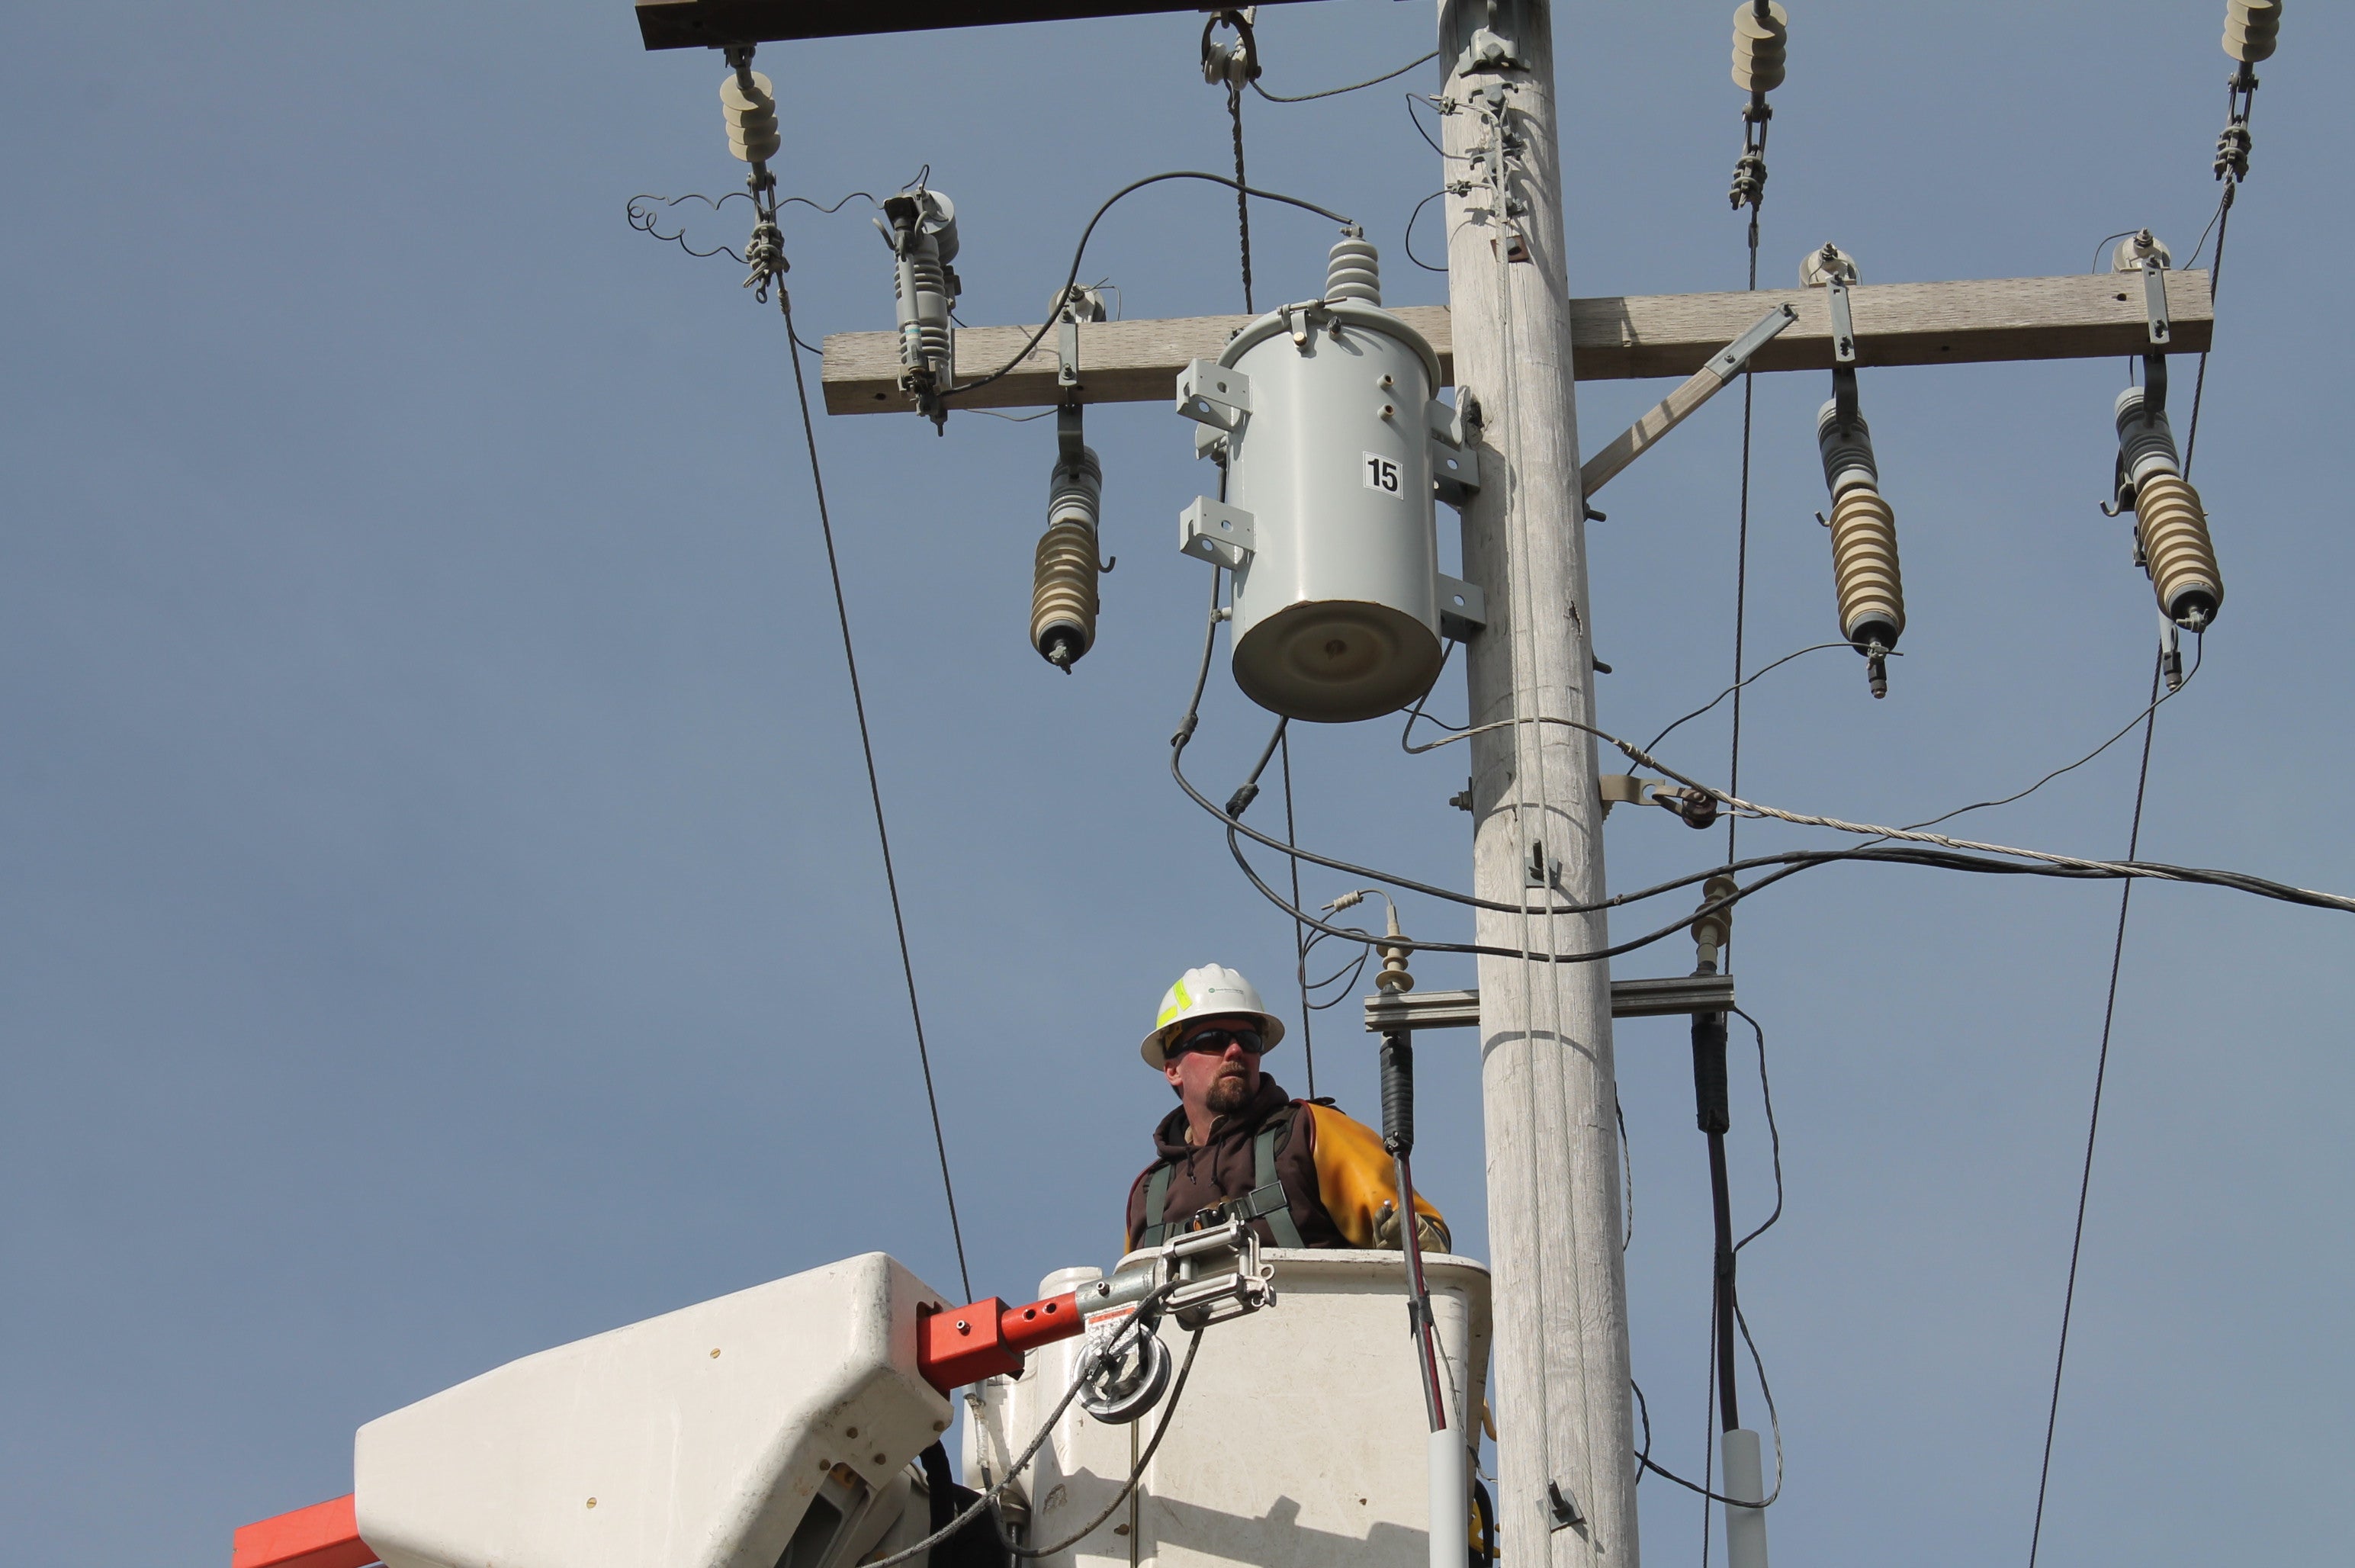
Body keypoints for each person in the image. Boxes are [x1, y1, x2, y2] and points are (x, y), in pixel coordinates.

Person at [1125, 963, 1448, 1255]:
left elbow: (1424, 1230)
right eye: (1214, 1039)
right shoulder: (1149, 1194)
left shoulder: (1309, 1131)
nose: (1235, 1050)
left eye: (1249, 1040)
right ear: (1172, 1070)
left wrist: (1414, 1238)